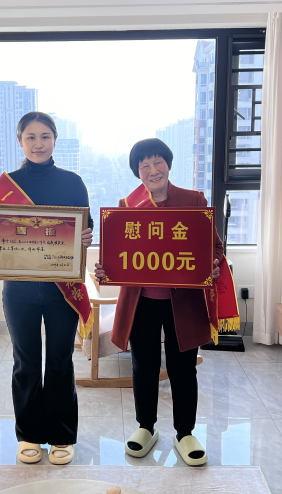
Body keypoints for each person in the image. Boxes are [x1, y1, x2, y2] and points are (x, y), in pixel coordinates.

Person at [94, 137, 222, 466]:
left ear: (169, 164)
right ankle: (145, 427)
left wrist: (213, 263)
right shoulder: (127, 206)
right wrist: (105, 269)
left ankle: (185, 432)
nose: (153, 170)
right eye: (145, 165)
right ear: (138, 172)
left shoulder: (194, 200)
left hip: (184, 303)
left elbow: (215, 247)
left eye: (158, 162)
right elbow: (116, 255)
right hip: (142, 303)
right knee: (144, 366)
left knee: (183, 368)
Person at [0, 112, 93, 465]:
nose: (38, 143)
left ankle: (61, 435)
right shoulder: (7, 185)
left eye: (45, 136)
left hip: (61, 288)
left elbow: (85, 229)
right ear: (20, 141)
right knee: (25, 361)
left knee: (59, 360)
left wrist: (86, 236)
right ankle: (28, 434)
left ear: (55, 140)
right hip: (19, 289)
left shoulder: (73, 182)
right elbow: (0, 232)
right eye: (31, 137)